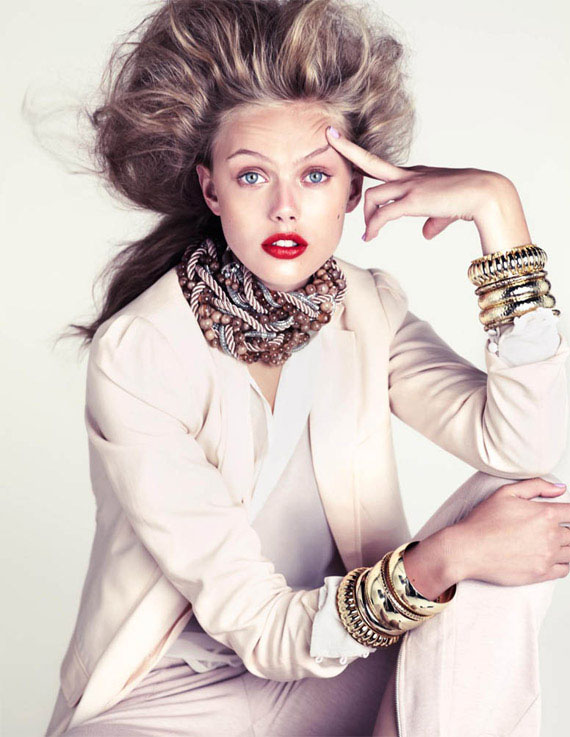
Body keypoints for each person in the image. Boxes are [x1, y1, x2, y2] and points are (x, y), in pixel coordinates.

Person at [45, 1, 570, 735]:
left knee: (515, 497)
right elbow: (262, 626)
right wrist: (446, 557)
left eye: (316, 175)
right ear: (211, 188)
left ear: (353, 190)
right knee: (475, 547)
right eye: (252, 176)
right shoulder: (142, 351)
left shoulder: (365, 308)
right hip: (175, 696)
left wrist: (498, 211)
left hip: (344, 667)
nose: (286, 208)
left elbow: (524, 447)